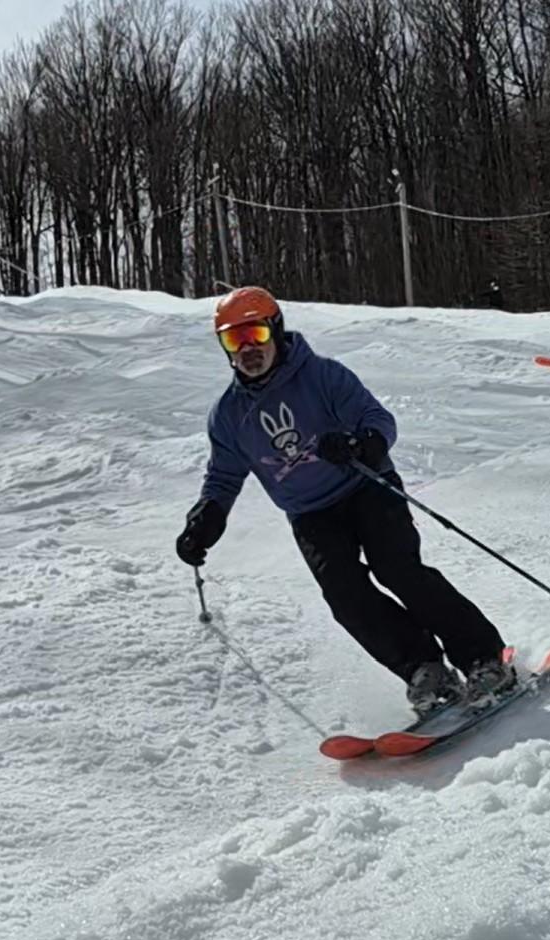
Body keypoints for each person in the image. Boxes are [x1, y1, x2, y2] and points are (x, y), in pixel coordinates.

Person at [175, 287, 514, 715]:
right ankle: (425, 669)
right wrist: (206, 517)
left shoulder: (322, 376)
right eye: (233, 340)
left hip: (366, 487)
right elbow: (223, 475)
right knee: (344, 595)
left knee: (399, 570)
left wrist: (361, 444)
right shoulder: (227, 415)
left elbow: (378, 421)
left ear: (276, 331)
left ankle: (482, 657)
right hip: (310, 514)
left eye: (256, 335)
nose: (247, 350)